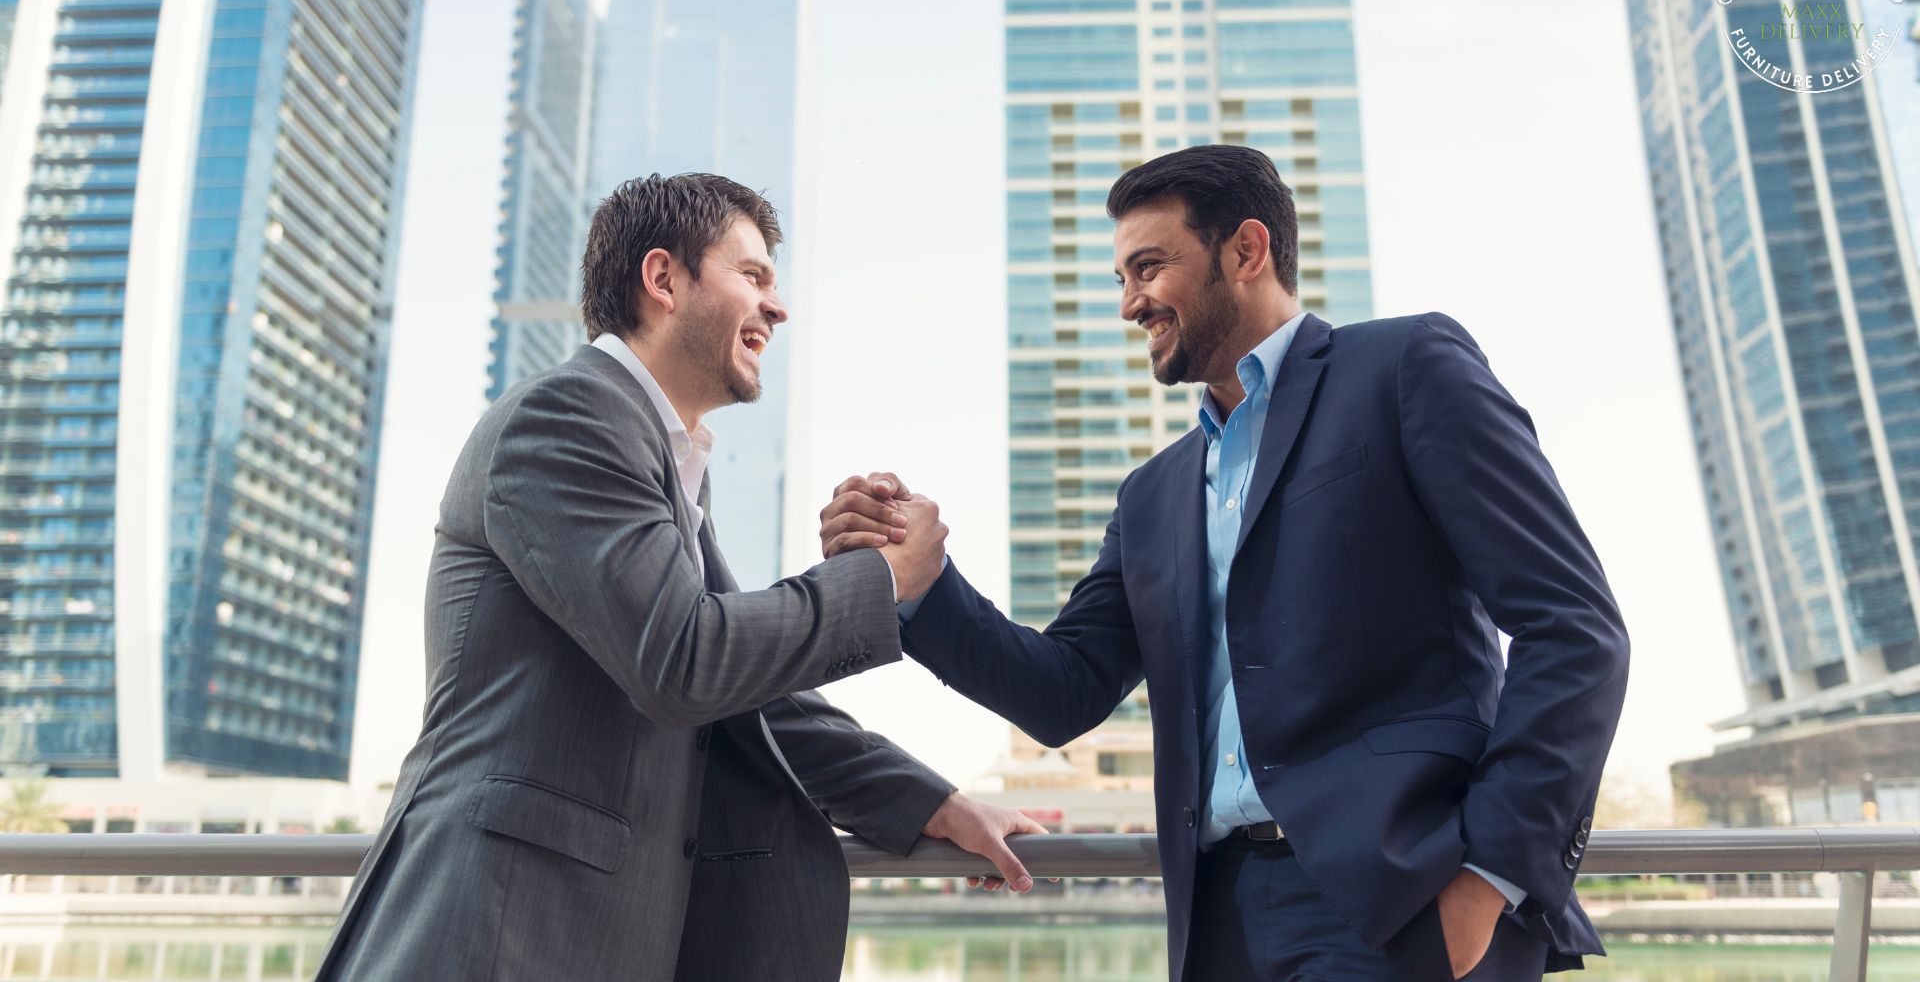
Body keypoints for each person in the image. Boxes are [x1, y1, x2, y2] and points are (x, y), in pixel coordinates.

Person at [819, 146, 1630, 980]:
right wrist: (919, 585)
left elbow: (1574, 630)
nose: (1131, 303)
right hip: (1218, 921)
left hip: (1399, 905)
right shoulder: (1153, 495)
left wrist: (1489, 879)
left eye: (1149, 267)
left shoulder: (1403, 369)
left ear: (1246, 251)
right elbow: (1062, 690)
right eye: (1121, 278)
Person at [317, 173, 1044, 981]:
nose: (778, 307)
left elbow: (751, 699)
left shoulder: (666, 462)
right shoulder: (568, 419)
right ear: (663, 279)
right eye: (754, 276)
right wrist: (881, 581)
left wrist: (933, 806)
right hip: (496, 930)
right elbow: (685, 660)